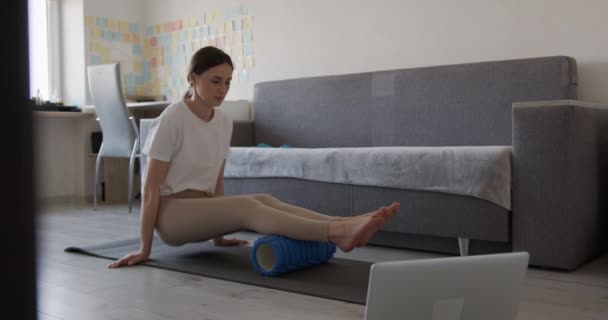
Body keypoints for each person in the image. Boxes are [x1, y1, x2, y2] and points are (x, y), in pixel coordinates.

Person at [109, 46, 400, 268]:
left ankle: (345, 222)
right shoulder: (172, 119)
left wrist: (220, 233)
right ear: (192, 78)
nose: (222, 90)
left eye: (227, 82)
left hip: (201, 208)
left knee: (264, 199)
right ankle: (337, 232)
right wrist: (144, 248)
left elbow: (216, 180)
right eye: (215, 81)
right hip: (172, 216)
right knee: (249, 205)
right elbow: (149, 190)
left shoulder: (224, 122)